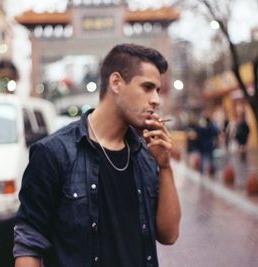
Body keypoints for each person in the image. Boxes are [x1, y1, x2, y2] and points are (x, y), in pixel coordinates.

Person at [13, 43, 181, 267]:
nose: (156, 100)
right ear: (116, 82)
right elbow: (29, 244)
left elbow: (168, 235)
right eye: (147, 87)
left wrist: (165, 166)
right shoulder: (54, 153)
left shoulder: (145, 154)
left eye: (157, 91)